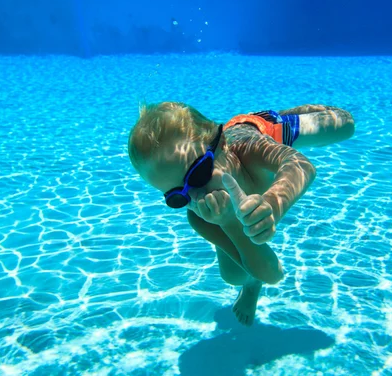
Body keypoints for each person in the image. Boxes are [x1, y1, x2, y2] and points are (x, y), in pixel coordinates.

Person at [128, 102, 355, 326]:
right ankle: (251, 287)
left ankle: (276, 115)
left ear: (222, 145)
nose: (198, 197)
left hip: (261, 129)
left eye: (198, 175)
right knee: (233, 276)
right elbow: (273, 275)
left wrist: (273, 205)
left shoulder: (250, 150)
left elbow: (301, 165)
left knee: (345, 123)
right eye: (179, 196)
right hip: (222, 137)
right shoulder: (200, 215)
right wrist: (228, 221)